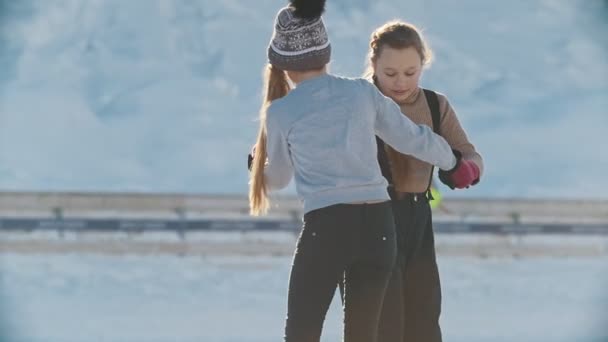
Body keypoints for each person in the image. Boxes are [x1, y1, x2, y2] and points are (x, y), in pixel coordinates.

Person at [247, 2, 469, 341]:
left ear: (282, 63)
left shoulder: (281, 111)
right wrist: (453, 162)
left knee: (302, 330)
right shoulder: (361, 92)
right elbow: (412, 138)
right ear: (326, 53)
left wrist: (256, 167)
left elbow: (277, 179)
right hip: (380, 228)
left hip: (328, 228)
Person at [365, 21, 484, 342]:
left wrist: (464, 169)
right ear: (373, 64)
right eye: (390, 73)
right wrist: (269, 154)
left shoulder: (434, 105)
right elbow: (309, 131)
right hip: (368, 221)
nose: (400, 82)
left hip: (417, 219)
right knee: (382, 321)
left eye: (410, 72)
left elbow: (469, 154)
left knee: (424, 317)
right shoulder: (354, 102)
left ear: (423, 64)